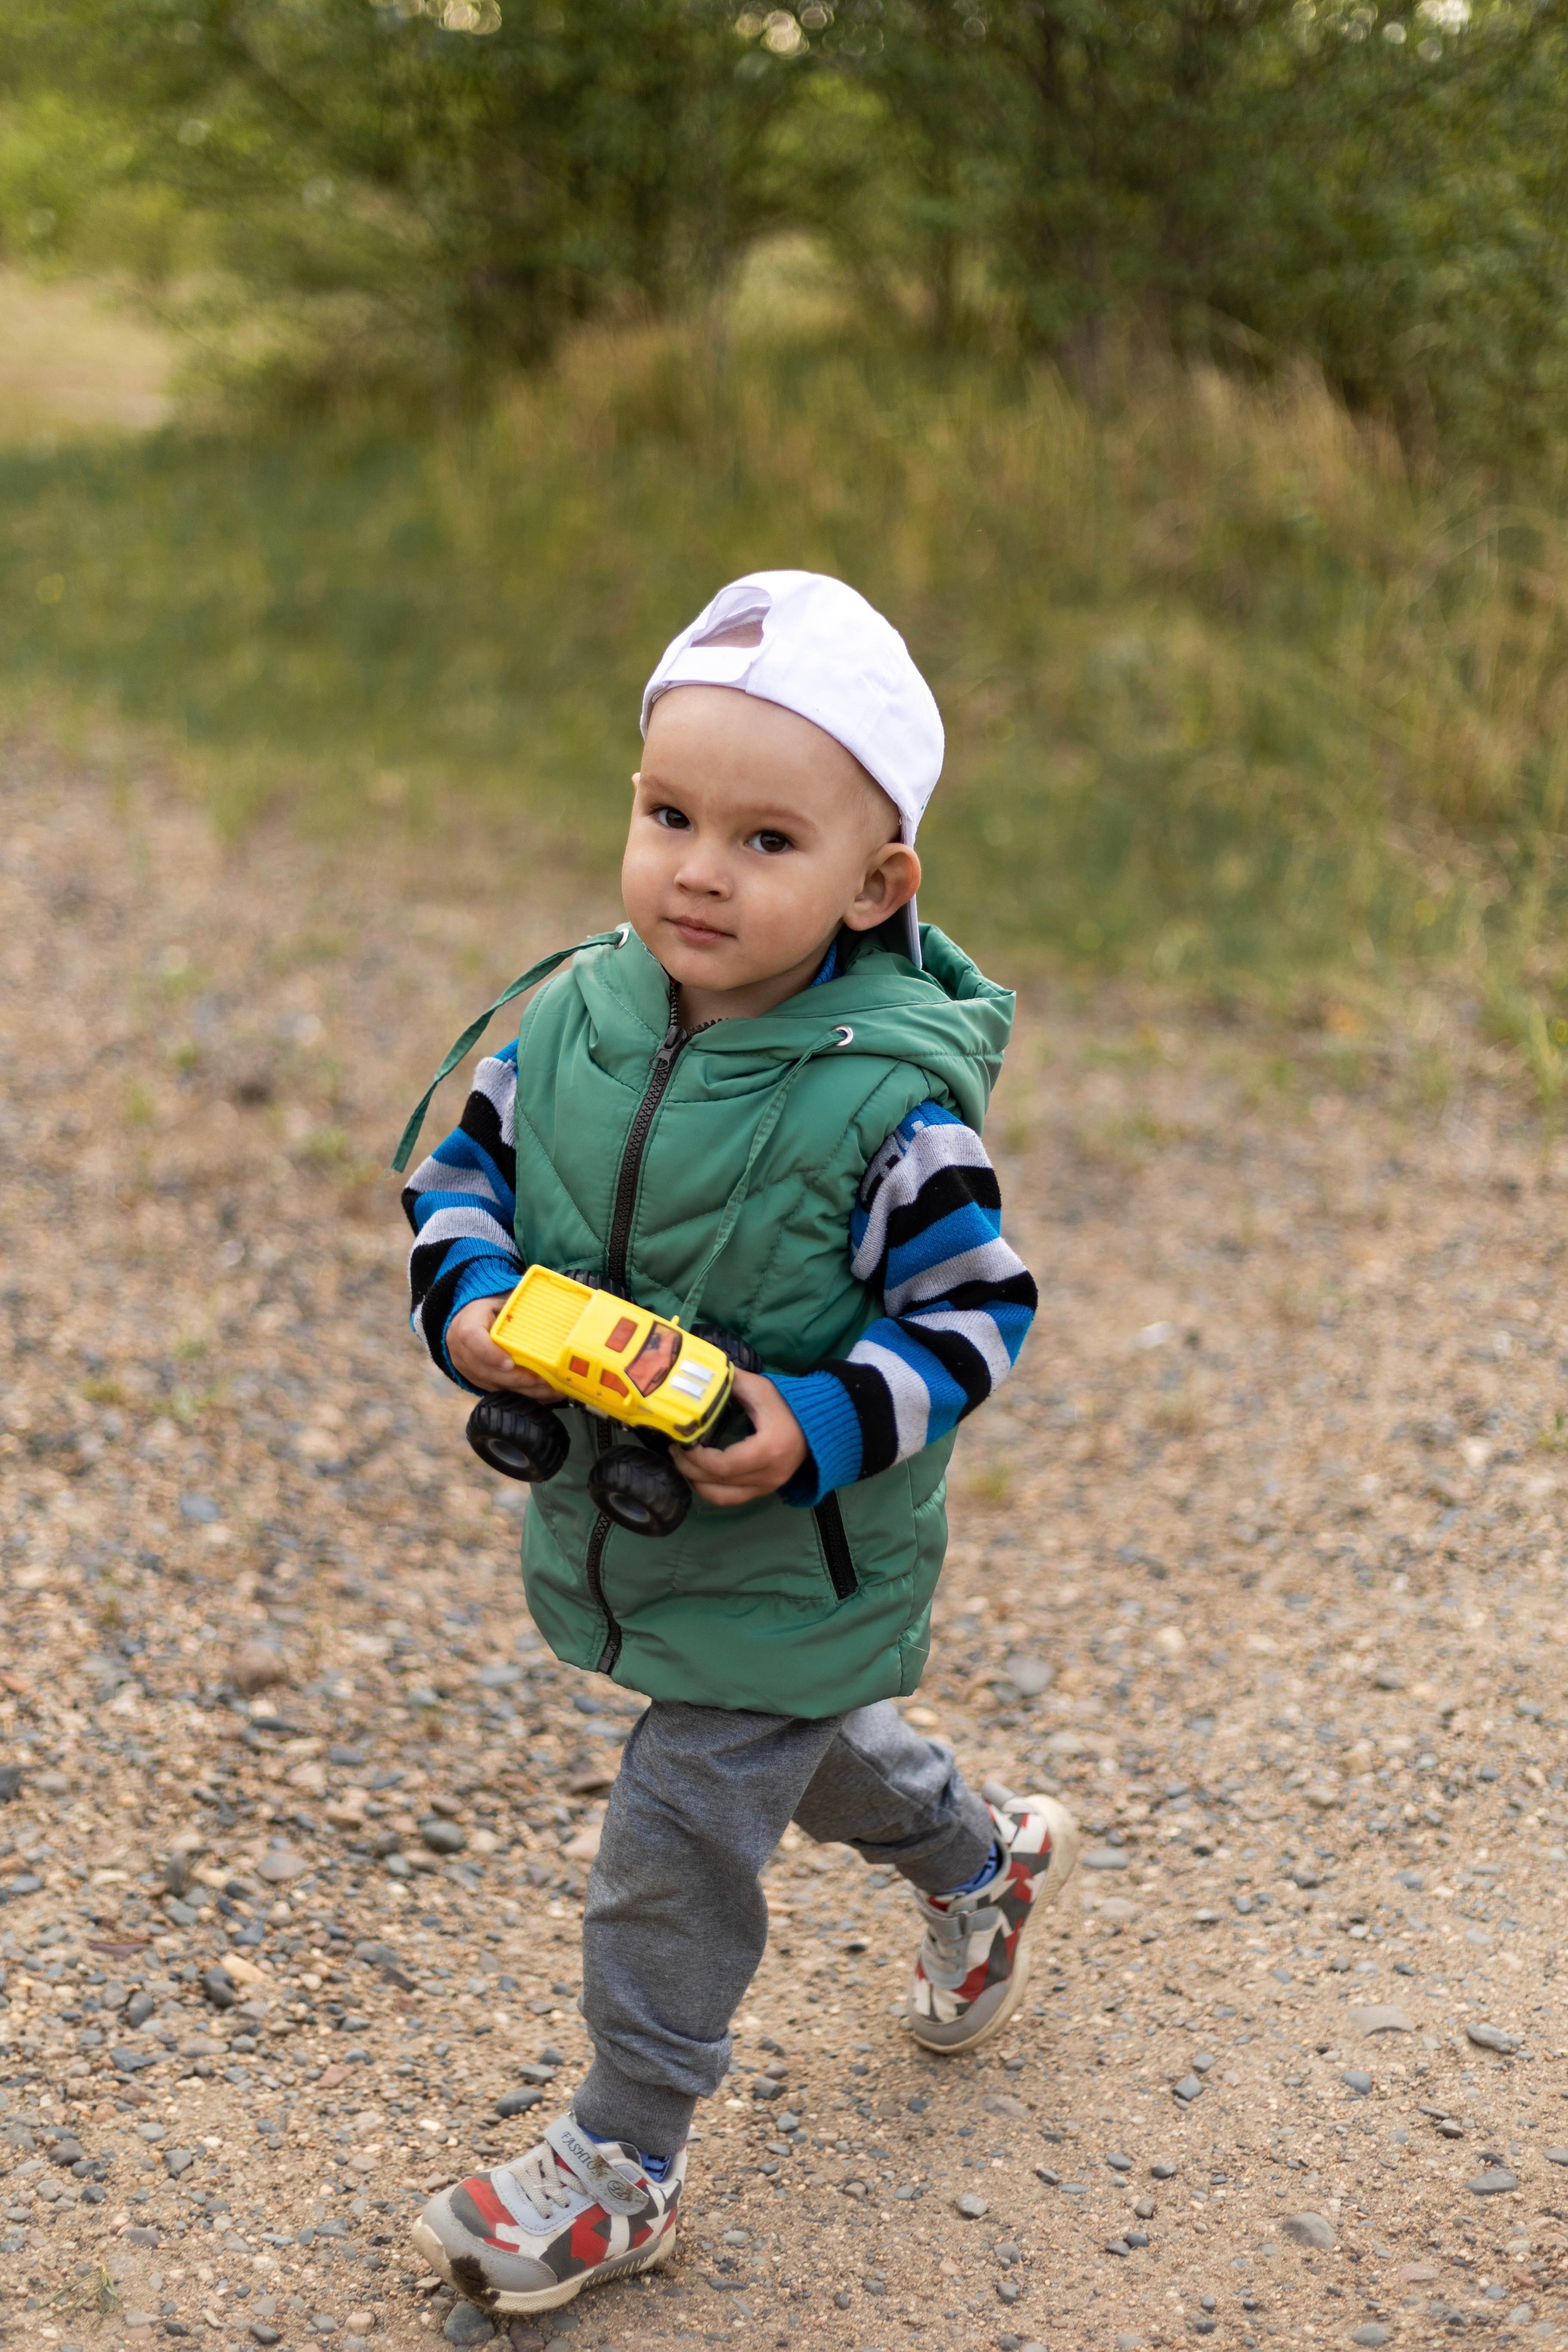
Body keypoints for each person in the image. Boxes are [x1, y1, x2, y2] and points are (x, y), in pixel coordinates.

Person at [394, 571, 1080, 2320]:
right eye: (667, 814)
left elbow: (977, 1313)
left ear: (878, 884)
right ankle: (977, 1861)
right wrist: (471, 1297)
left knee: (685, 1820)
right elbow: (458, 1178)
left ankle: (621, 2156)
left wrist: (817, 1423)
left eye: (766, 840)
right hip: (637, 1520)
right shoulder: (576, 1017)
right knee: (787, 1742)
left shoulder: (889, 1103)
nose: (698, 867)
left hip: (797, 1527)